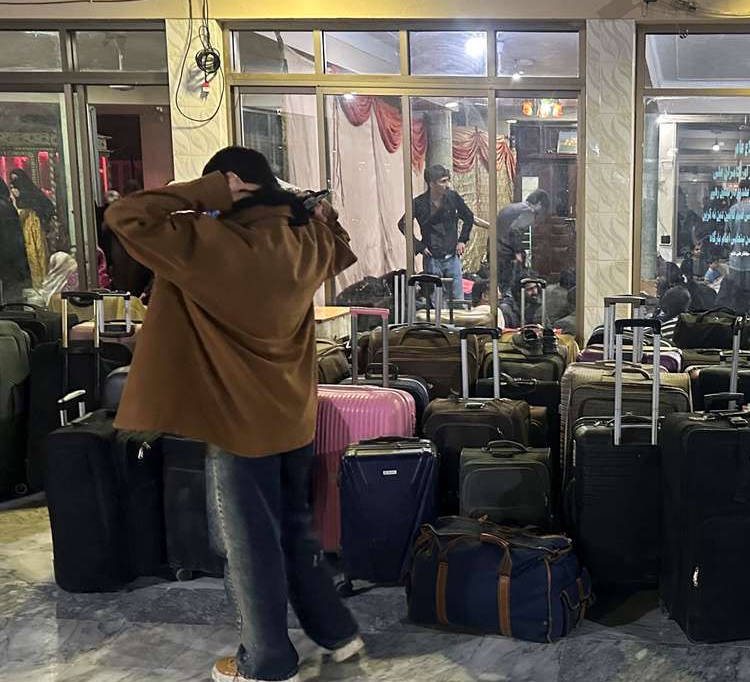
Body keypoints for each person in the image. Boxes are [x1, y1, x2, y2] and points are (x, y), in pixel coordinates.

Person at [104, 146, 363, 682]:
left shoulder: (205, 243)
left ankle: (266, 661)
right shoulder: (304, 241)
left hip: (238, 425)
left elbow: (123, 215)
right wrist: (313, 211)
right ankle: (337, 634)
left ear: (230, 186)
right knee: (296, 530)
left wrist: (207, 193)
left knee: (248, 547)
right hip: (294, 416)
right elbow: (340, 245)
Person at [398, 164, 475, 302]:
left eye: (447, 180)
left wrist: (463, 240)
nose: (447, 185)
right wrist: (419, 246)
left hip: (452, 257)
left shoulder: (453, 197)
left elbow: (469, 217)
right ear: (432, 184)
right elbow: (403, 225)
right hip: (432, 258)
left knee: (458, 300)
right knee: (435, 302)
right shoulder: (419, 203)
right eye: (443, 181)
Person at [495, 189, 545, 295]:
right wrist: (517, 251)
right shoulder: (528, 211)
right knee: (507, 286)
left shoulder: (512, 207)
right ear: (539, 204)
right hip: (506, 252)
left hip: (496, 248)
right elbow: (515, 230)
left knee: (498, 284)